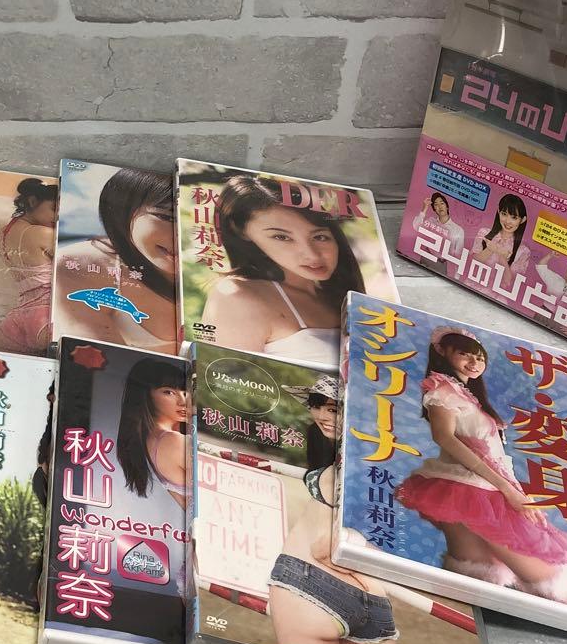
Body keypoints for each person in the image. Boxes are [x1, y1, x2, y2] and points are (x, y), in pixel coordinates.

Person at [394, 326, 567, 606]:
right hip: (474, 489)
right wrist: (508, 491)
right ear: (442, 351)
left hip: (474, 488)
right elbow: (444, 438)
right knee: (548, 583)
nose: (474, 362)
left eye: (480, 357)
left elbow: (490, 454)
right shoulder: (442, 390)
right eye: (465, 354)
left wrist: (513, 491)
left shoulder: (467, 396)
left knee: (476, 574)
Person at [268, 375, 399, 644]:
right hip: (374, 601)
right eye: (317, 406)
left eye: (333, 409)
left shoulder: (347, 467)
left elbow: (324, 547)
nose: (322, 416)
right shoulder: (378, 460)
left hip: (311, 583)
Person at [201, 176, 365, 364]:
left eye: (319, 237)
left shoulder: (340, 296)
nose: (312, 255)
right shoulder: (237, 295)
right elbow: (222, 377)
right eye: (281, 237)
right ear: (241, 231)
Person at [56, 168, 177, 352]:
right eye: (167, 217)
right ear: (125, 212)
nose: (180, 238)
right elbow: (94, 361)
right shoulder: (80, 265)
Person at [0, 178, 58, 355]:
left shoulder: (5, 232)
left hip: (16, 321)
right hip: (47, 314)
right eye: (54, 208)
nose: (58, 217)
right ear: (32, 201)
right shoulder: (44, 234)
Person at [116, 358, 189, 511]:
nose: (183, 401)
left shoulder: (150, 443)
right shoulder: (174, 441)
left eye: (184, 392)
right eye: (169, 392)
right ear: (146, 395)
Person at [471, 194, 531, 276]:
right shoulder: (484, 233)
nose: (508, 221)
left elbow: (509, 280)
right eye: (504, 214)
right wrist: (490, 249)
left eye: (514, 217)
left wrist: (503, 258)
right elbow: (471, 263)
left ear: (523, 220)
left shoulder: (523, 251)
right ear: (498, 211)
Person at [411, 191, 465, 261]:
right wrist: (425, 208)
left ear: (447, 206)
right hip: (427, 256)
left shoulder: (458, 230)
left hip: (442, 262)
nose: (439, 206)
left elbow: (458, 253)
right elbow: (417, 226)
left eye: (442, 203)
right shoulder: (431, 221)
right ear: (434, 209)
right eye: (436, 205)